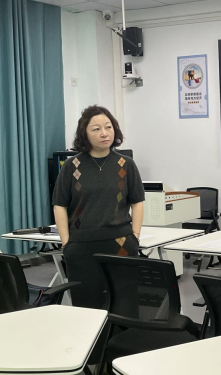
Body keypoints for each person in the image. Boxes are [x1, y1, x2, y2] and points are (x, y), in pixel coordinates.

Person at [52, 105, 145, 309]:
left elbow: (137, 201)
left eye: (108, 127)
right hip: (81, 247)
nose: (104, 133)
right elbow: (59, 205)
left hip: (121, 244)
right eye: (96, 129)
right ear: (84, 133)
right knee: (86, 306)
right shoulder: (71, 166)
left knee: (124, 304)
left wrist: (135, 235)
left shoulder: (126, 164)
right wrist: (66, 243)